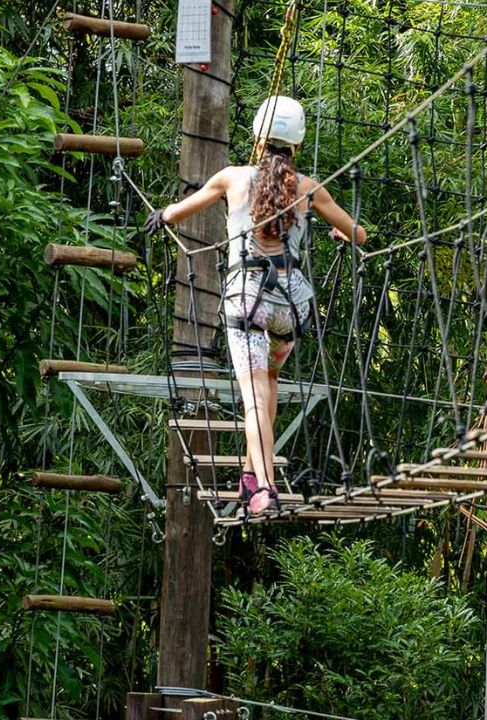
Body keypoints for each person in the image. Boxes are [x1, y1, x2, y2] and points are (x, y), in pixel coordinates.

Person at [143, 96, 367, 514]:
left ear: (258, 140)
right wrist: (344, 236)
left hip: (247, 303)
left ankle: (264, 486)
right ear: (295, 146)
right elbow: (359, 234)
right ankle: (251, 473)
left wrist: (161, 215)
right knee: (270, 385)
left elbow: (178, 212)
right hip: (291, 309)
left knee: (253, 398)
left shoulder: (231, 179)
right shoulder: (308, 187)